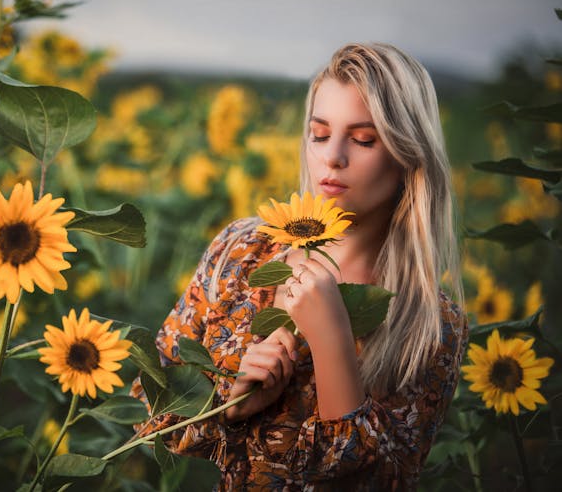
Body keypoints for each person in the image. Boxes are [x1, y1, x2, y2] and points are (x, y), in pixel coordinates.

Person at [131, 42, 467, 490]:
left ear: (409, 156)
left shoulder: (429, 322)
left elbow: (377, 483)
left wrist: (331, 338)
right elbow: (155, 405)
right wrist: (226, 405)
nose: (333, 158)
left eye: (364, 139)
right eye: (320, 133)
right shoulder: (243, 249)